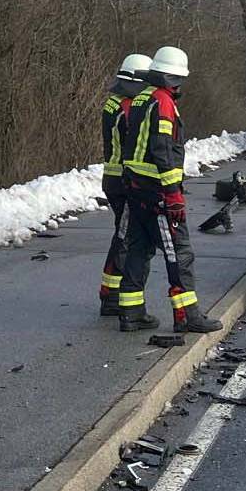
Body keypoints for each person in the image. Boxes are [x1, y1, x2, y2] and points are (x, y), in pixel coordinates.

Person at [117, 46, 222, 334]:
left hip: (137, 188)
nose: (180, 86)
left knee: (139, 249)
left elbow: (131, 142)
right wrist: (173, 194)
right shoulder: (162, 101)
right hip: (158, 193)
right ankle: (187, 315)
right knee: (180, 253)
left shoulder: (140, 98)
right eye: (179, 80)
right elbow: (162, 147)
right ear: (172, 77)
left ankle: (131, 311)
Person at [98, 53, 153, 316]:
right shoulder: (127, 107)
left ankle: (111, 291)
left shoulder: (114, 103)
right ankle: (111, 296)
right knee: (125, 237)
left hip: (113, 178)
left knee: (122, 234)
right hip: (124, 180)